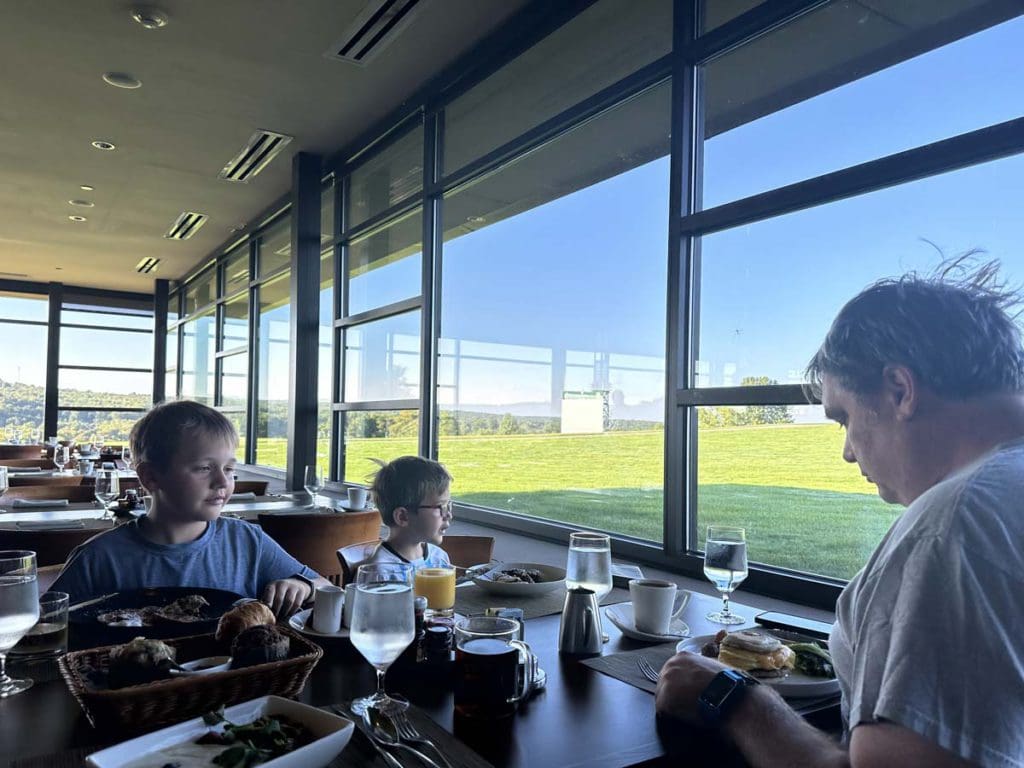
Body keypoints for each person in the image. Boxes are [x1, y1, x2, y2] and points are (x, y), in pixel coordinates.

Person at [655, 259, 1024, 767]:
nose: (848, 452)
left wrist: (736, 698)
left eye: (844, 417)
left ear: (900, 391)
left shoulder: (952, 529)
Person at [52, 401, 330, 616]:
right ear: (150, 477)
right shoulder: (99, 558)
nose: (223, 481)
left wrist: (303, 586)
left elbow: (327, 589)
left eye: (229, 468)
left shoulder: (247, 542)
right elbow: (46, 628)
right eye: (204, 468)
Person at [366, 455, 454, 569]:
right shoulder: (379, 569)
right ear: (402, 517)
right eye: (440, 506)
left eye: (447, 506)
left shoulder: (439, 558)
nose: (448, 515)